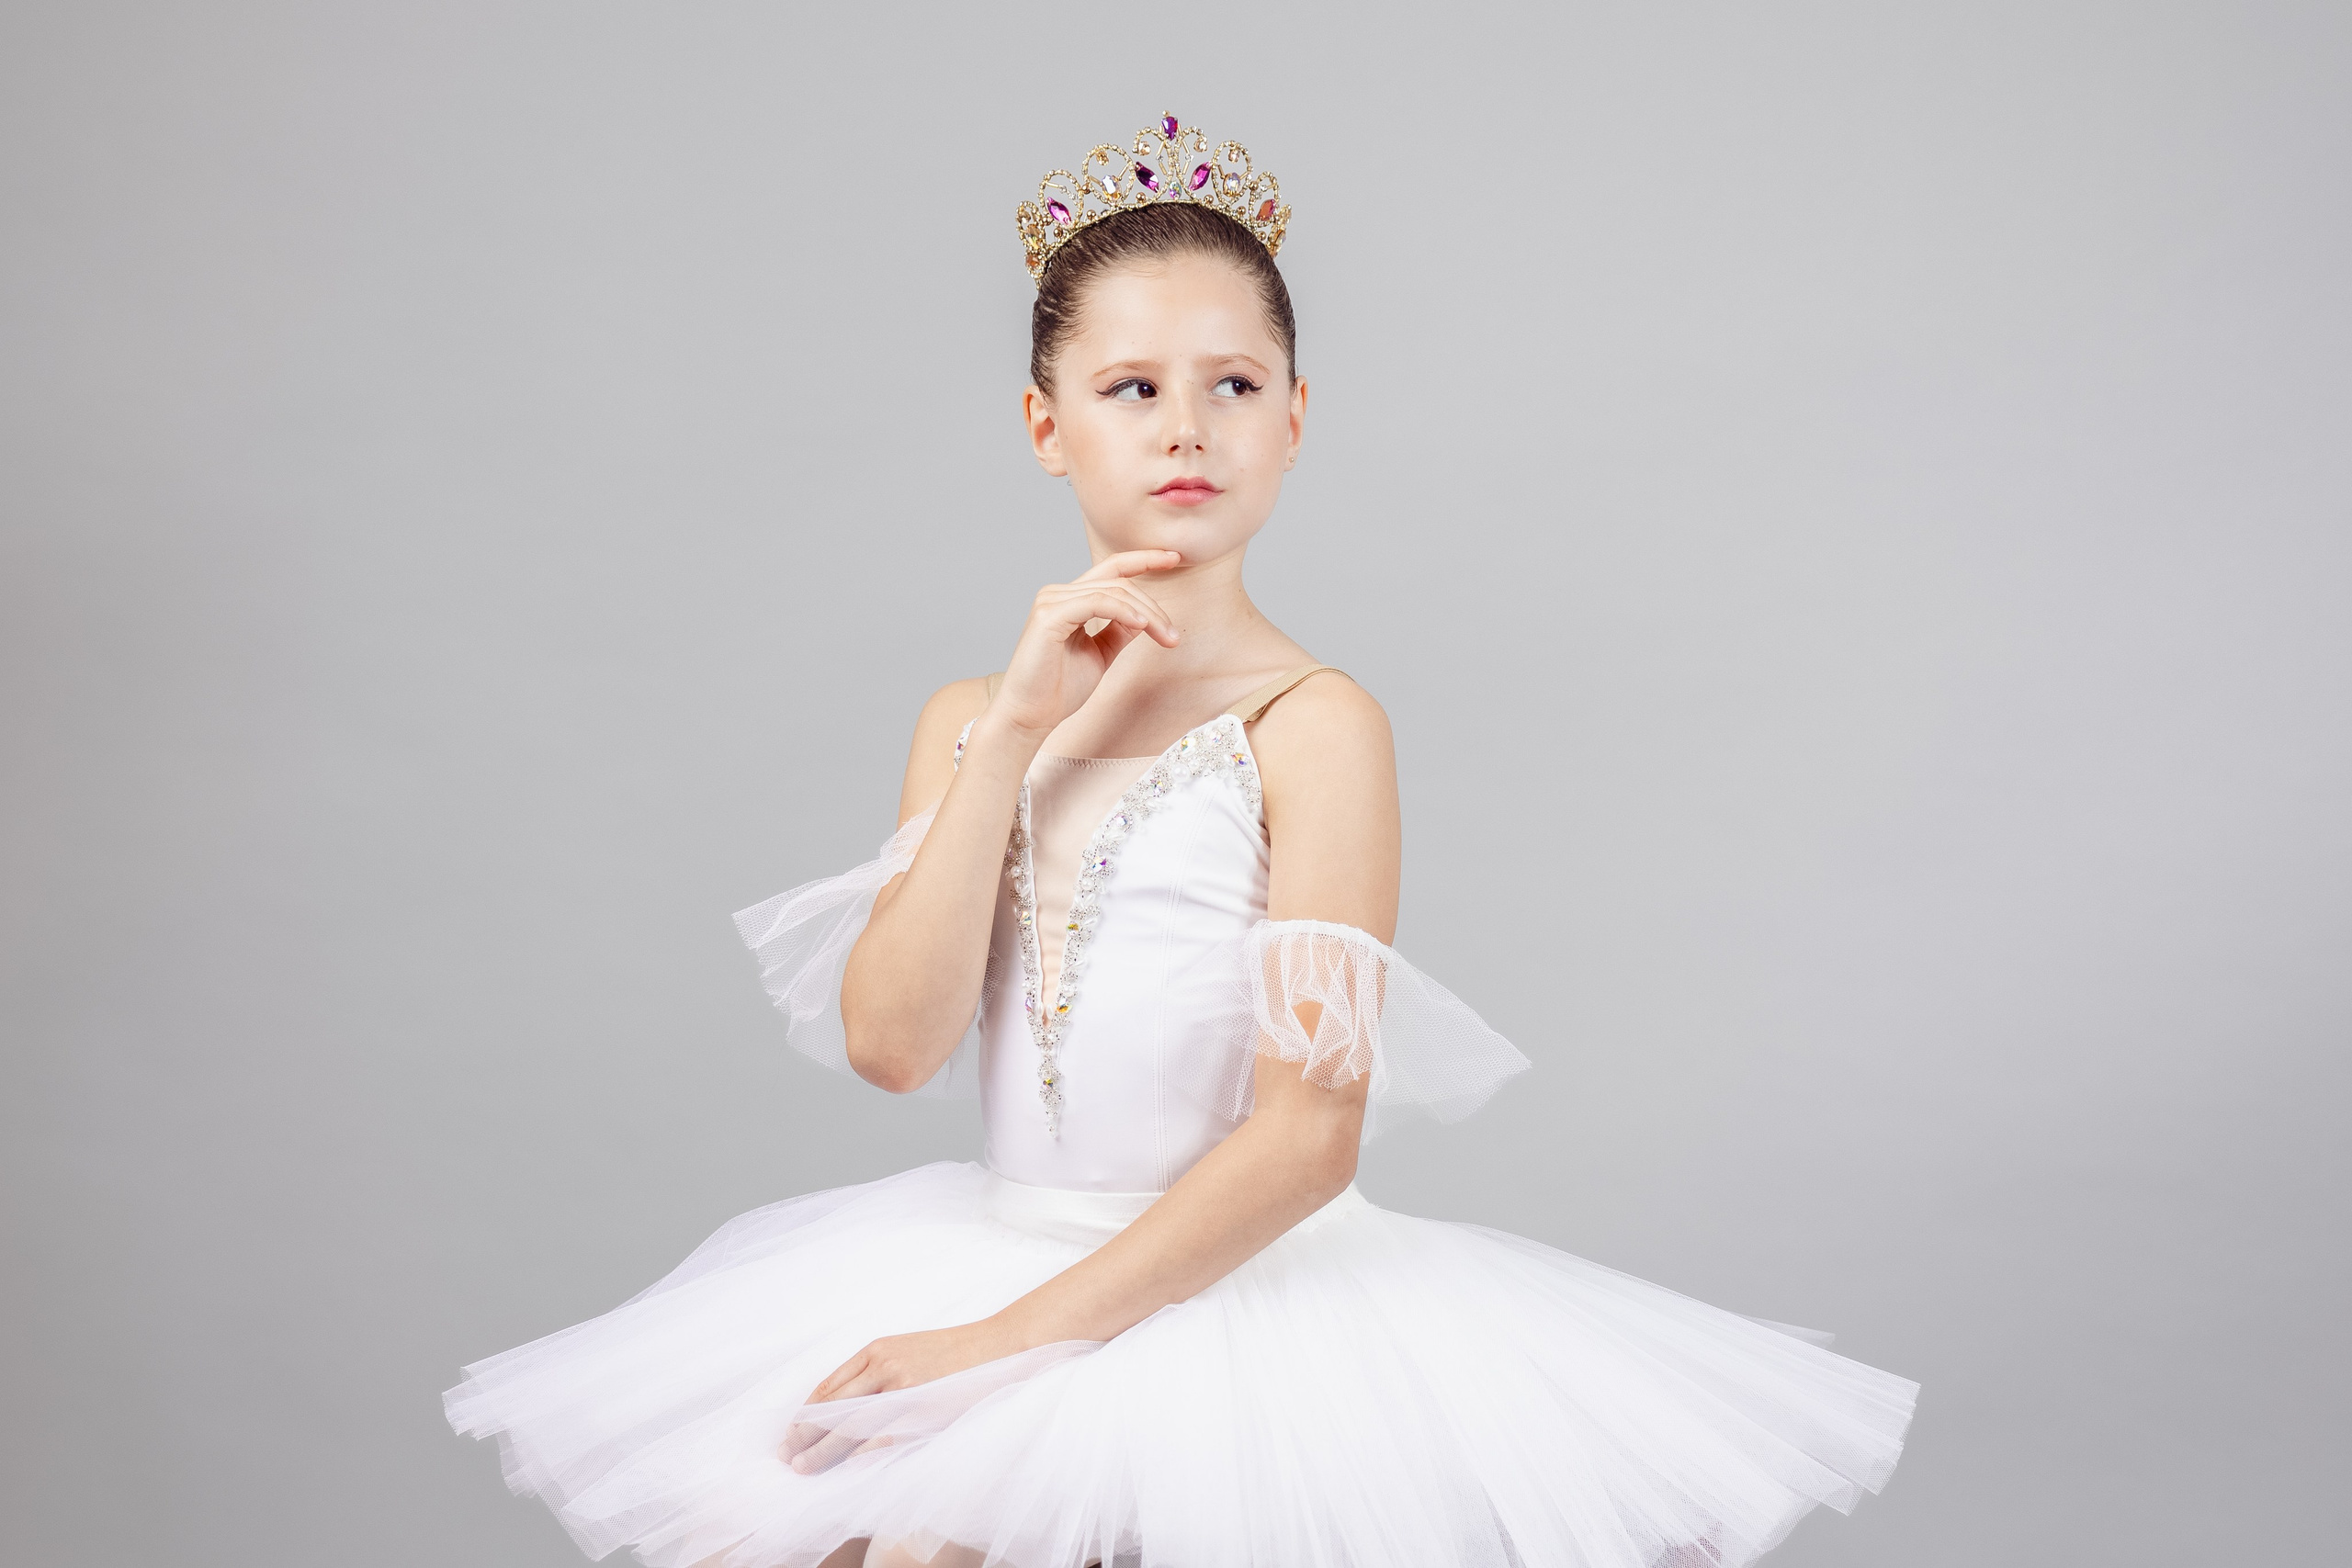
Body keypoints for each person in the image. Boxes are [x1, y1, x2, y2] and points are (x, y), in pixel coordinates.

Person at [446, 114, 1918, 1568]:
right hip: (987, 1241)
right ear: (1046, 425)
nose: (1185, 428)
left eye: (1233, 383)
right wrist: (1015, 735)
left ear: (1295, 414)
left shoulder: (1316, 721)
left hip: (1225, 1309)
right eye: (1131, 386)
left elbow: (1308, 1134)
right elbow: (895, 1046)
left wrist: (1002, 1349)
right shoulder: (972, 718)